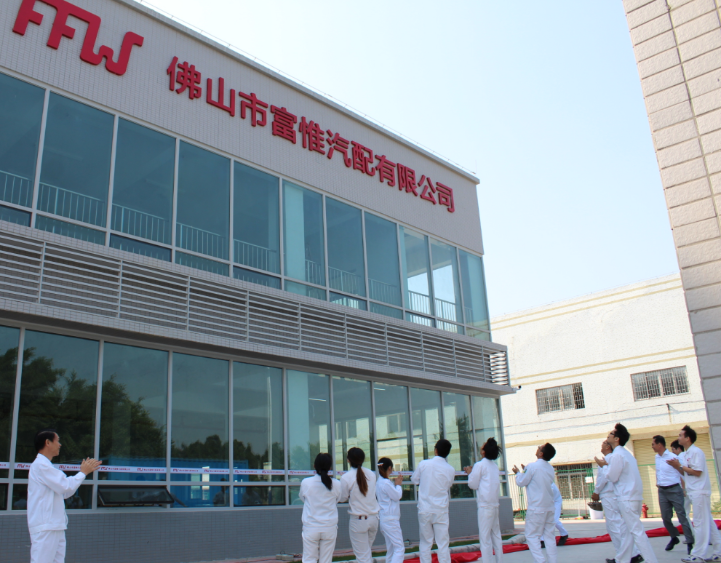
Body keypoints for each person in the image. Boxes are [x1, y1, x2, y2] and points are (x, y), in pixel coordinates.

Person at [28, 429, 102, 563]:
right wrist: (83, 473)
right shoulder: (41, 465)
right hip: (46, 526)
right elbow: (66, 486)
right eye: (57, 441)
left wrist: (82, 474)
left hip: (55, 525)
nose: (60, 444)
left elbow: (66, 492)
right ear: (48, 443)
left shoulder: (46, 466)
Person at [600, 423, 659, 563]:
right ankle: (622, 559)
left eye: (611, 434)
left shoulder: (617, 455)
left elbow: (612, 477)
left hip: (627, 498)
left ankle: (652, 560)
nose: (608, 435)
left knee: (637, 532)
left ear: (617, 439)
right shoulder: (627, 454)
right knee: (626, 531)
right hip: (633, 497)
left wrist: (604, 466)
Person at [668, 425, 721, 563]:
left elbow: (697, 472)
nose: (678, 438)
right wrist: (677, 466)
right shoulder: (685, 454)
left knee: (699, 523)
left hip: (700, 491)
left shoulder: (697, 452)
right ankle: (718, 551)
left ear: (688, 438)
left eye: (681, 435)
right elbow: (685, 472)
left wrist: (680, 466)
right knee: (708, 522)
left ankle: (698, 555)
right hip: (693, 491)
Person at [592, 439, 641, 563]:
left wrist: (596, 492)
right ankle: (628, 554)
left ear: (608, 447)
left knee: (615, 527)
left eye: (603, 443)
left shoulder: (608, 459)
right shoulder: (613, 457)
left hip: (608, 495)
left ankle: (629, 555)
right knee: (618, 526)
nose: (601, 445)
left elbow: (603, 478)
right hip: (613, 495)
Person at [411, 439, 456, 563]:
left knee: (425, 543)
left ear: (435, 450)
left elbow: (414, 480)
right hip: (441, 510)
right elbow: (449, 485)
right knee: (443, 543)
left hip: (425, 509)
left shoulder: (424, 464)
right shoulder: (450, 469)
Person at [512, 443, 557, 563]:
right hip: (549, 507)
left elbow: (521, 482)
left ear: (541, 453)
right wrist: (525, 471)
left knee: (532, 536)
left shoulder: (532, 466)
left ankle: (540, 561)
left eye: (539, 447)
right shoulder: (550, 468)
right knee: (549, 537)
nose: (537, 448)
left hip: (537, 507)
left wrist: (518, 473)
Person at [464, 437, 504, 563]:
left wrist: (470, 473)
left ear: (483, 451)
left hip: (485, 506)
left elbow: (473, 484)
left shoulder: (479, 465)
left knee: (485, 539)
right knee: (496, 536)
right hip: (494, 505)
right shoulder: (494, 466)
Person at [651, 435, 693, 552]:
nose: (652, 447)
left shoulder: (673, 457)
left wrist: (684, 489)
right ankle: (674, 537)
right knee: (665, 518)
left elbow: (682, 473)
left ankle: (690, 542)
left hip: (674, 489)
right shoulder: (656, 457)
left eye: (653, 444)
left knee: (682, 517)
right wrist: (658, 482)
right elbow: (659, 471)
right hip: (662, 491)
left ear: (660, 445)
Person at [299, 453, 343, 563]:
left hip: (311, 527)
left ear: (314, 466)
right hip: (329, 527)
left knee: (309, 560)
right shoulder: (337, 484)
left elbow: (303, 498)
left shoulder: (306, 482)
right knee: (326, 560)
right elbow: (337, 500)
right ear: (330, 468)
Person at [340, 447, 380, 563]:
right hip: (374, 519)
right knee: (366, 554)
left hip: (359, 521)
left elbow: (342, 498)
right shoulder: (371, 474)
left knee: (363, 557)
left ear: (348, 460)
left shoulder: (346, 477)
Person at [376, 458, 405, 563]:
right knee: (399, 549)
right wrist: (398, 485)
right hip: (391, 520)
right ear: (389, 468)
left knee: (391, 550)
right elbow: (397, 496)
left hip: (385, 519)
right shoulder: (386, 483)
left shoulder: (379, 482)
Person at [670, 440, 692, 524]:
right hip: (693, 487)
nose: (672, 452)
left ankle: (690, 531)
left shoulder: (678, 459)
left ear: (679, 449)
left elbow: (681, 474)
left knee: (685, 513)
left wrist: (683, 489)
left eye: (673, 449)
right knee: (701, 512)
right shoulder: (687, 456)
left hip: (685, 488)